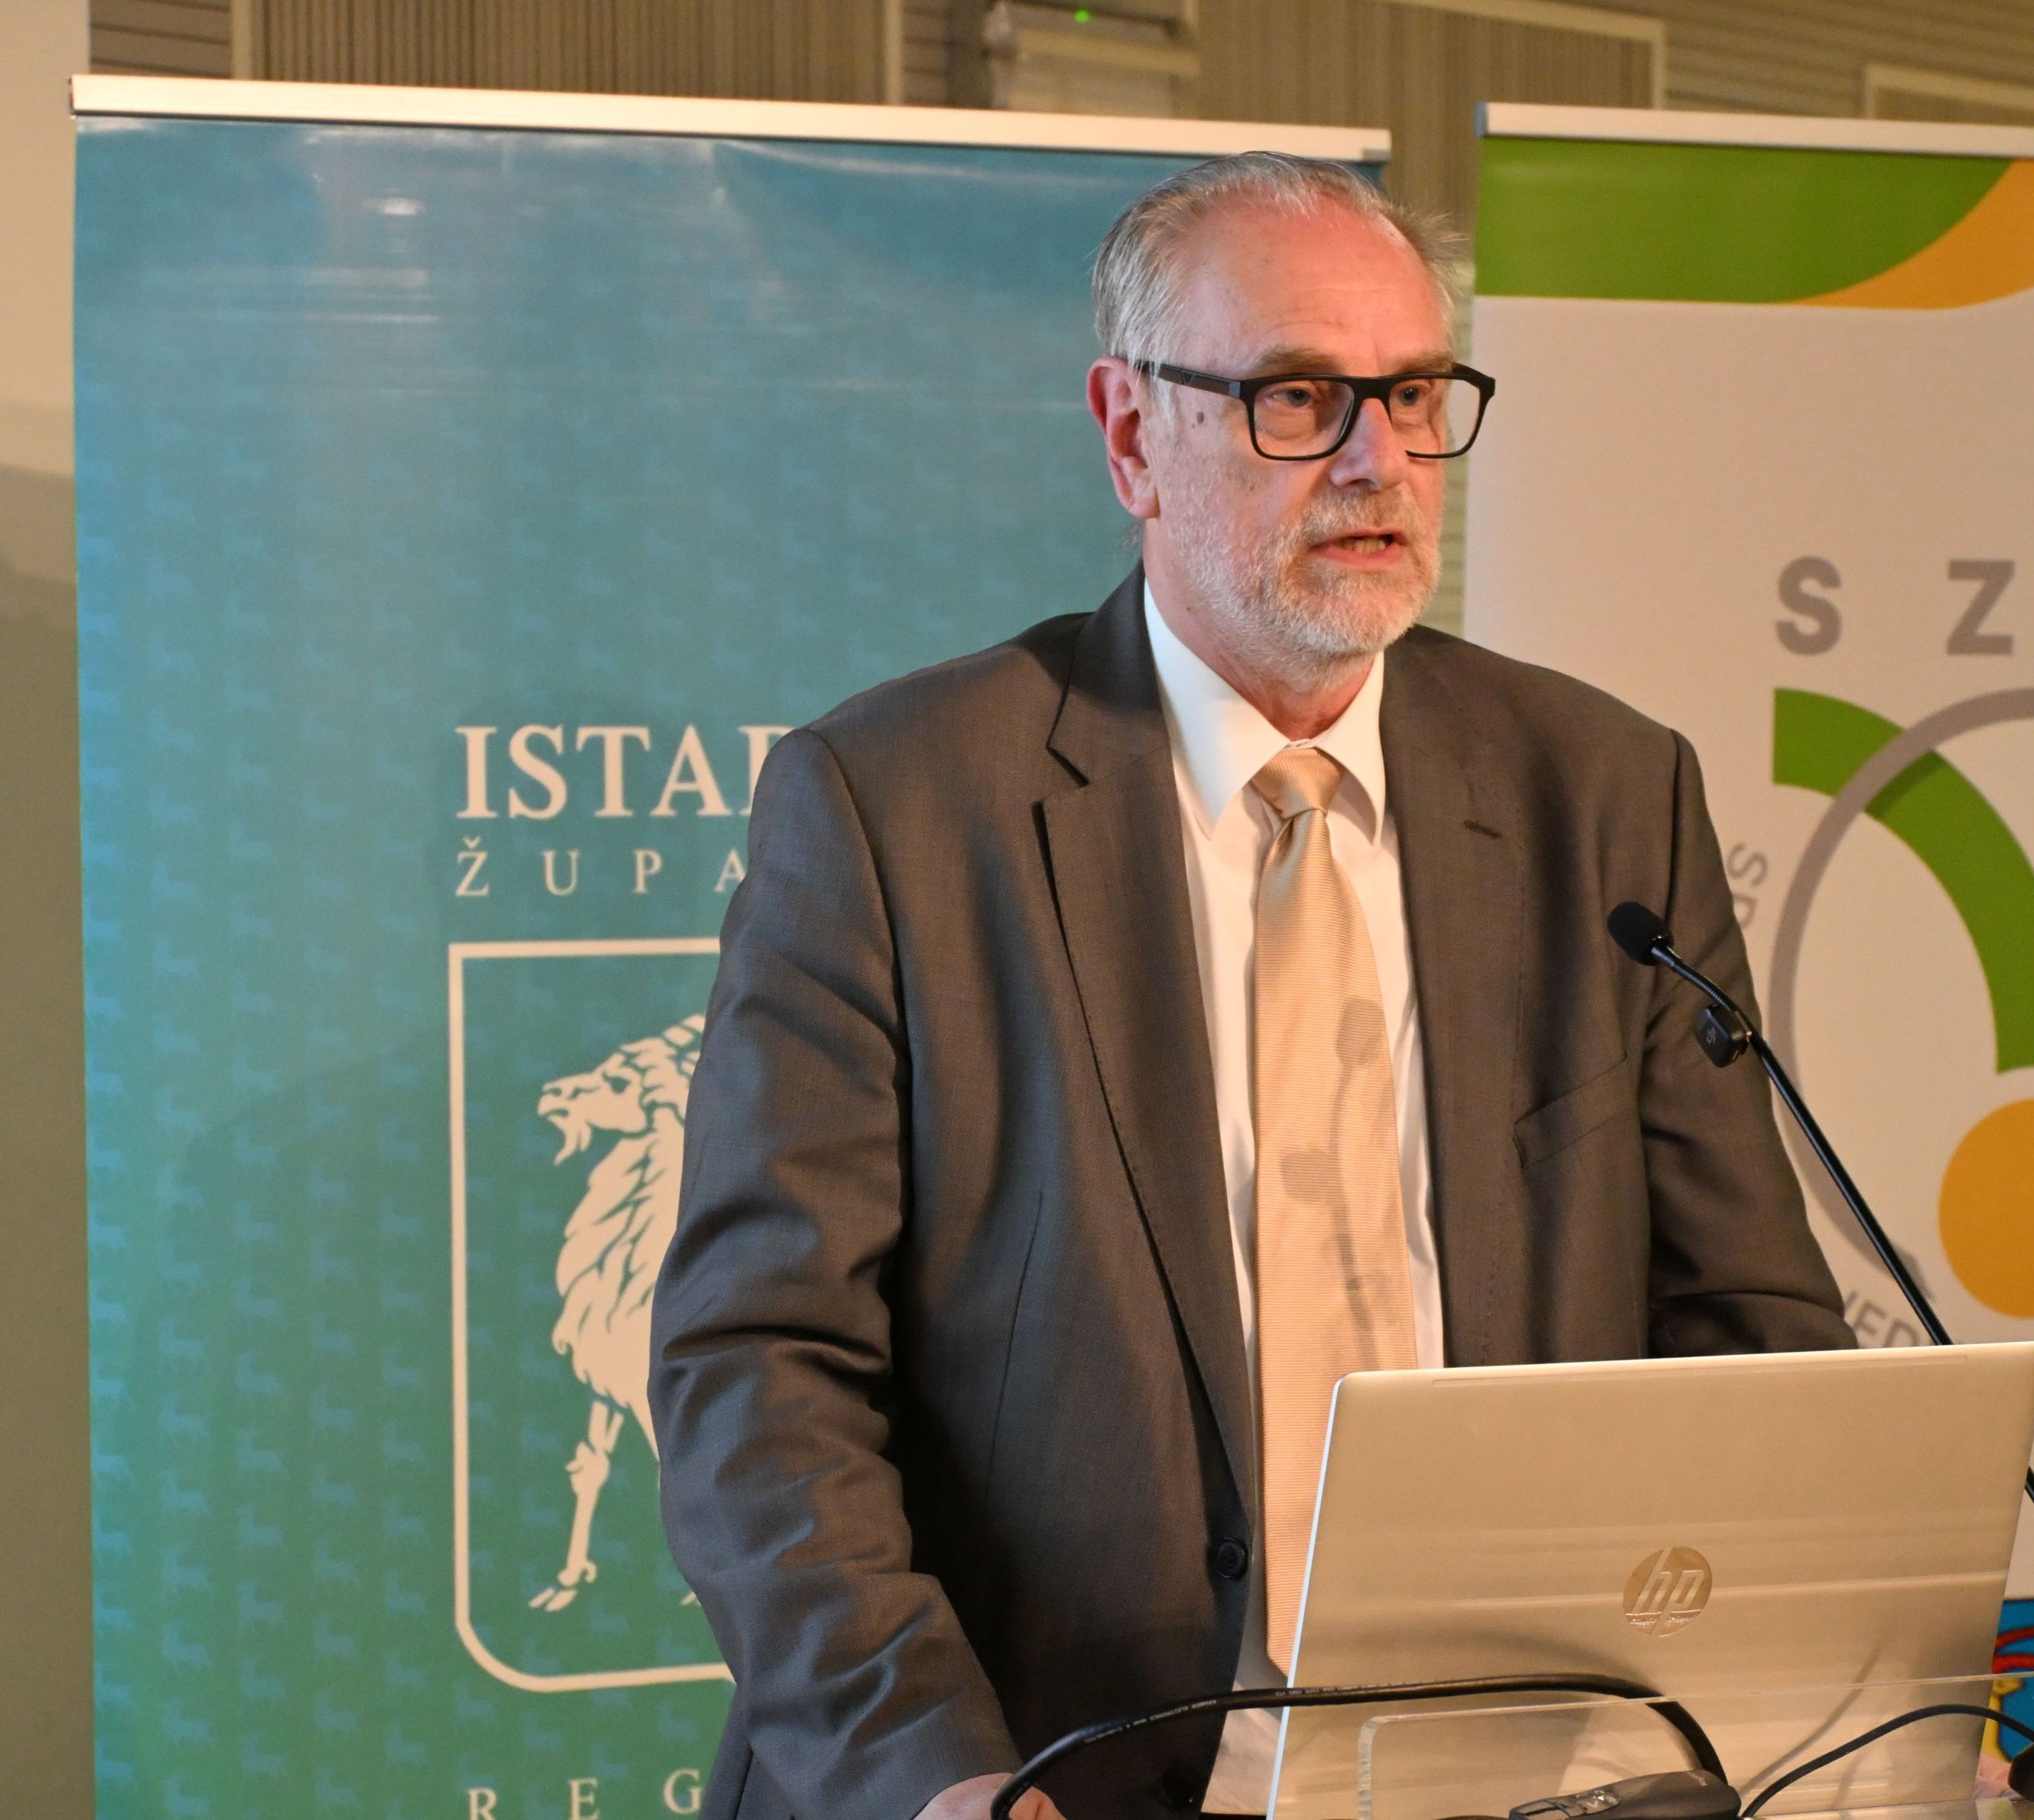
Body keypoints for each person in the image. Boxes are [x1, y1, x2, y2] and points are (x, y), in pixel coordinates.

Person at [650, 152, 1853, 1820]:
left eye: (1414, 394)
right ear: (1132, 436)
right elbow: (760, 1370)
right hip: (1046, 1775)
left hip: (1512, 1777)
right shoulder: (895, 806)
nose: (1379, 460)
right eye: (1299, 397)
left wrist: (1818, 1690)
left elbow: (1747, 1330)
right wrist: (935, 1775)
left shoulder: (1603, 794)